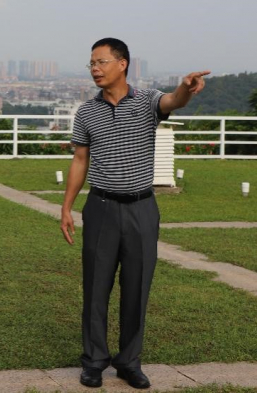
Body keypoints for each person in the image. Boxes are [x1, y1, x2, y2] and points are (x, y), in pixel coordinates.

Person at [60, 38, 208, 390]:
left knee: (137, 287)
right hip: (100, 207)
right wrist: (66, 206)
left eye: (101, 62)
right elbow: (80, 159)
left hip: (142, 207)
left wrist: (185, 88)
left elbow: (174, 102)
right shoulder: (86, 112)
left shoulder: (147, 101)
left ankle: (129, 362)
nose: (95, 69)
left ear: (122, 64)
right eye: (91, 64)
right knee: (96, 287)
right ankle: (94, 361)